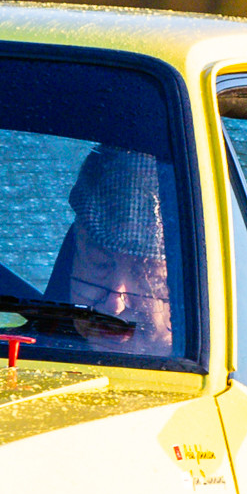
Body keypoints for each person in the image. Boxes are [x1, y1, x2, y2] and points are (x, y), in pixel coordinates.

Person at [63, 142, 174, 352]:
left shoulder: (216, 367)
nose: (114, 305)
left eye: (147, 275)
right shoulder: (23, 352)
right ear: (73, 258)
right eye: (100, 263)